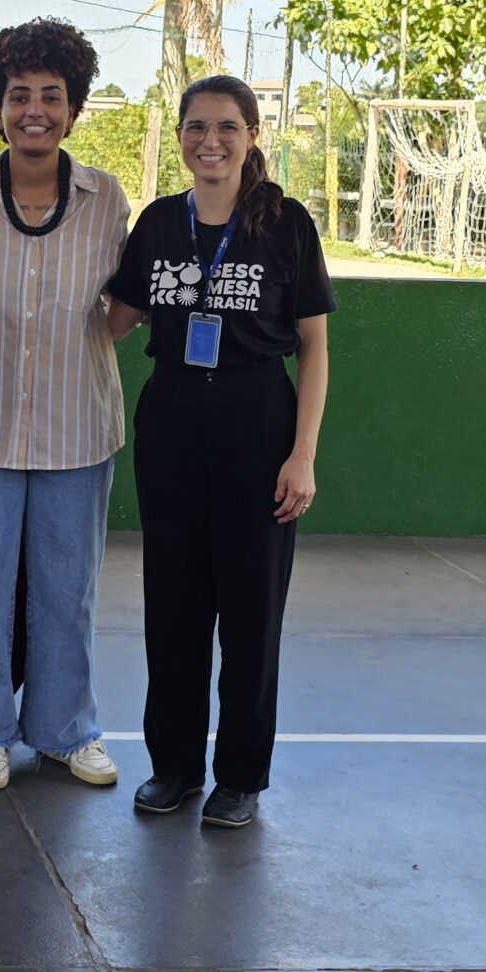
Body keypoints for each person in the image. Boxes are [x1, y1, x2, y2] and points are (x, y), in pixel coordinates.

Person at [105, 74, 332, 830]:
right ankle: (173, 766)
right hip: (172, 416)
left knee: (250, 611)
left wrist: (302, 453)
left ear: (252, 135)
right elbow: (114, 321)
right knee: (172, 605)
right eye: (196, 127)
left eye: (227, 126)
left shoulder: (286, 224)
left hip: (256, 417)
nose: (211, 141)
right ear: (179, 136)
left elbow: (313, 347)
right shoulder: (158, 223)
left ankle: (239, 776)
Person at [0, 19, 130, 792]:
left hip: (77, 426)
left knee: (67, 589)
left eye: (52, 95)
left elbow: (121, 309)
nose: (35, 110)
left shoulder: (105, 199)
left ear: (73, 109)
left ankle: (65, 729)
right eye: (19, 96)